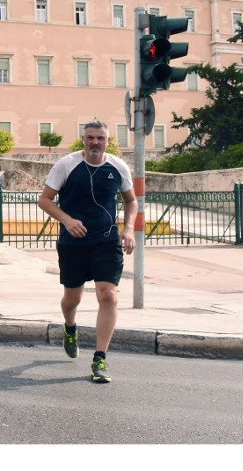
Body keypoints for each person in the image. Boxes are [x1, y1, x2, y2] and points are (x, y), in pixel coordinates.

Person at [38, 119, 137, 383]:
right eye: (90, 138)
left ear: (108, 141)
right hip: (73, 244)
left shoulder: (118, 166)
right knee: (72, 299)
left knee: (108, 296)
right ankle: (70, 328)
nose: (95, 142)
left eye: (100, 138)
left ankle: (100, 360)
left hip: (106, 242)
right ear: (83, 139)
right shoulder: (67, 165)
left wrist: (128, 229)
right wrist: (68, 221)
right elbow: (44, 200)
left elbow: (131, 201)